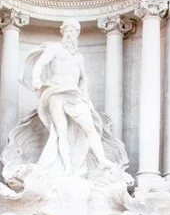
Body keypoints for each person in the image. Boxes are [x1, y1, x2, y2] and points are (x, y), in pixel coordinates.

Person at [21, 19, 115, 177]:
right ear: (62, 32)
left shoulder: (78, 57)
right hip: (56, 92)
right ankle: (67, 169)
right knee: (61, 133)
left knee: (91, 127)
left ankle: (102, 159)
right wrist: (36, 79)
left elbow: (84, 77)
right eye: (68, 30)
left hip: (75, 95)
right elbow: (40, 64)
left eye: (75, 31)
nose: (71, 34)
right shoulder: (54, 48)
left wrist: (84, 91)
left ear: (78, 34)